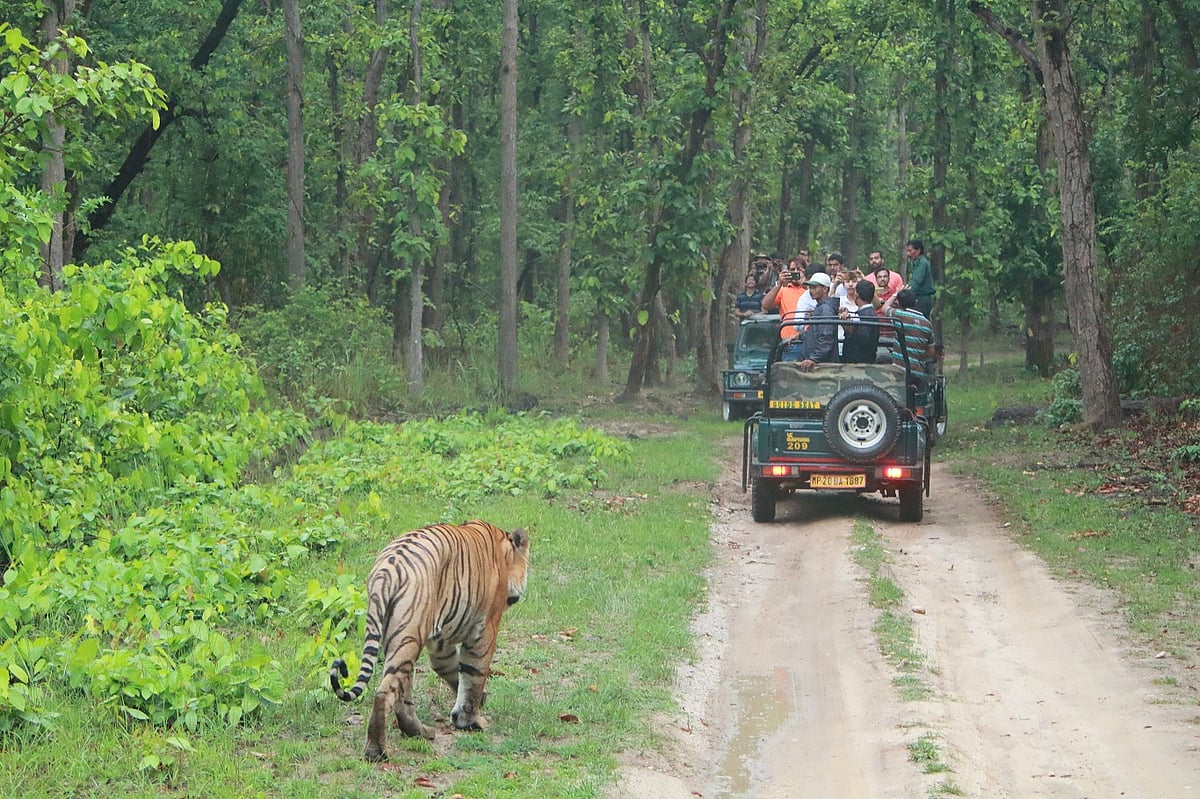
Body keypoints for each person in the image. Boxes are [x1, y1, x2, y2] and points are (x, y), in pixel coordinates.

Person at [881, 288, 935, 383]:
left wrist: (895, 294)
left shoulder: (899, 315)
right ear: (916, 301)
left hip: (900, 371)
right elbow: (931, 351)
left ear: (899, 303)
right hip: (919, 372)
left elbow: (884, 308)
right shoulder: (927, 323)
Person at [792, 272, 838, 368]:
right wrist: (800, 336)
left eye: (814, 287)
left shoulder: (826, 309)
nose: (811, 291)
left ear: (825, 289)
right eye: (810, 288)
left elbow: (826, 337)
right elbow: (815, 331)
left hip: (822, 366)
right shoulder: (820, 307)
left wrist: (814, 359)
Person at [761, 262, 808, 345]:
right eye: (792, 270)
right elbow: (765, 305)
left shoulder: (811, 290)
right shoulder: (783, 290)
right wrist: (779, 284)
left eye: (799, 270)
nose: (796, 272)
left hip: (807, 340)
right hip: (789, 342)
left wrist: (805, 284)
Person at [840, 279, 880, 363]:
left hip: (858, 362)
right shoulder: (869, 313)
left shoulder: (865, 315)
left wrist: (849, 327)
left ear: (856, 295)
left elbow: (863, 339)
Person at [905, 239, 936, 318]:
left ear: (918, 251)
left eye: (910, 251)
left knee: (921, 323)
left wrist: (904, 294)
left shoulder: (922, 263)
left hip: (922, 299)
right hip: (917, 298)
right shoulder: (916, 263)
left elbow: (916, 282)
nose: (908, 254)